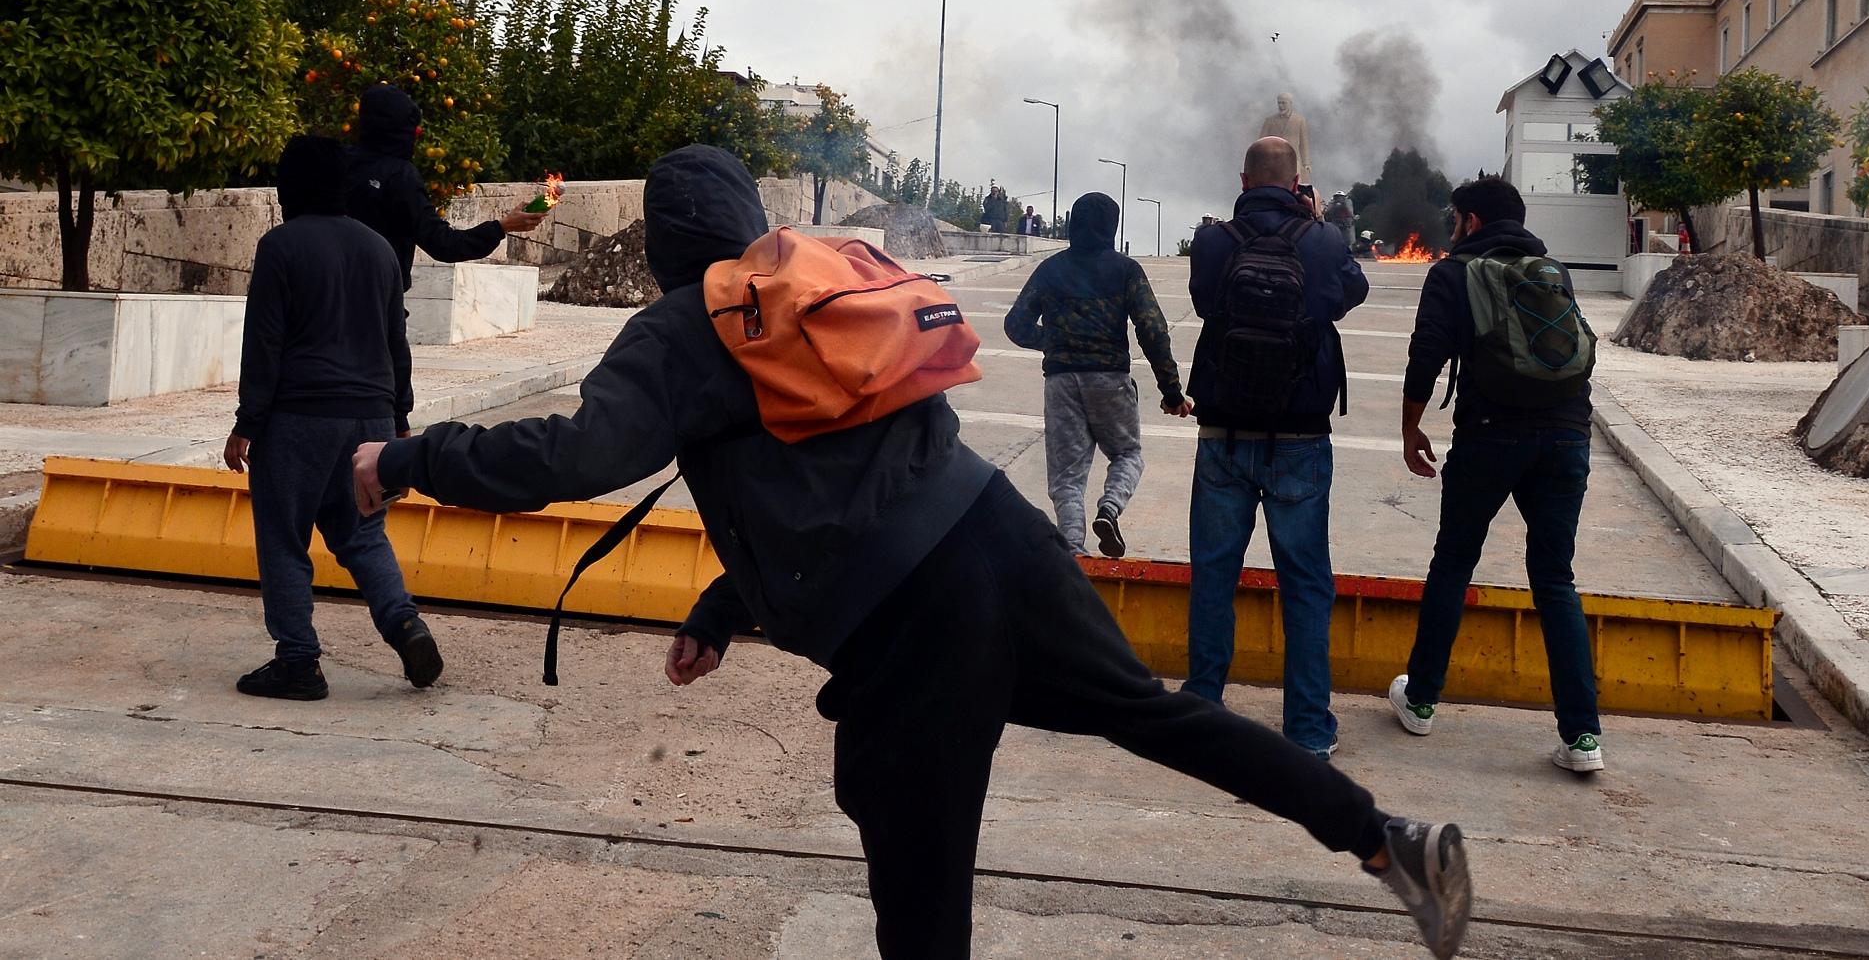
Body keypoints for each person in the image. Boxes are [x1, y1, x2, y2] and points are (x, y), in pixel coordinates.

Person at [351, 146, 1472, 960]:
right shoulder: (815, 285)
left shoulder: (685, 324)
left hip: (910, 621)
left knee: (914, 875)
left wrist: (408, 457)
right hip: (1000, 533)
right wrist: (720, 604)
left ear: (662, 241)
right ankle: (1381, 834)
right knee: (1156, 713)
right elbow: (828, 473)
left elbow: (571, 455)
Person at [1391, 176, 1604, 773]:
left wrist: (1410, 430)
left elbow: (1425, 354)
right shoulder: (1551, 269)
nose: (1451, 228)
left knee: (1455, 562)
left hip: (1489, 435)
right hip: (1566, 435)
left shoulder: (1452, 273)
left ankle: (1423, 699)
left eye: (1456, 219)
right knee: (1555, 579)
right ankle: (1582, 737)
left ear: (1472, 222)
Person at [225, 136, 443, 702]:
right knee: (364, 534)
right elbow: (397, 341)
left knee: (283, 538)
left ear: (289, 186)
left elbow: (264, 340)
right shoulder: (378, 250)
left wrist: (247, 421)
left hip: (299, 419)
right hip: (370, 418)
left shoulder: (280, 246)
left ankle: (298, 661)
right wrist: (398, 417)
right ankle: (403, 623)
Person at [1184, 136, 1368, 758]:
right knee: (1306, 582)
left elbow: (1207, 303)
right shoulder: (1322, 241)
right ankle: (1309, 729)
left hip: (1223, 432)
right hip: (1301, 437)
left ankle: (1204, 708)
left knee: (1214, 573)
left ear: (1243, 180)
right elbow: (1352, 293)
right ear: (1297, 184)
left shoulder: (1212, 241)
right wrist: (1315, 225)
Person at [1004, 192, 1189, 557]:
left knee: (1066, 477)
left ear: (1072, 223)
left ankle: (1073, 549)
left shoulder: (1050, 269)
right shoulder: (1125, 270)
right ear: (1113, 227)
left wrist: (1054, 342)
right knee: (1127, 454)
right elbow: (1152, 330)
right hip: (1110, 379)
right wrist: (1172, 392)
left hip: (1060, 382)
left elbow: (1015, 324)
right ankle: (1109, 508)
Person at [345, 85, 543, 424]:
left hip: (319, 300)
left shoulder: (336, 165)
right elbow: (443, 244)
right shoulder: (399, 176)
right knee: (381, 405)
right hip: (376, 306)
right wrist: (502, 226)